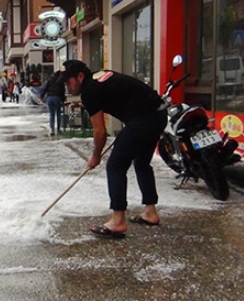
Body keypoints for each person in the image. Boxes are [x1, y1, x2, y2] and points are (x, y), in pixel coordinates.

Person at [60, 60, 167, 238]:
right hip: (157, 114)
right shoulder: (99, 78)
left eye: (68, 81)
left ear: (80, 76)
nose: (67, 87)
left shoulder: (89, 91)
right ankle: (150, 212)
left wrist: (95, 157)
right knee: (141, 163)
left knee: (115, 166)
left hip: (143, 119)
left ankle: (118, 221)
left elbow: (100, 132)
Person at [38, 70, 65, 136]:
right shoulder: (60, 82)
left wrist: (41, 97)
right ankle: (58, 129)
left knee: (51, 114)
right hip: (57, 98)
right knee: (58, 114)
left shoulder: (49, 81)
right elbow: (62, 91)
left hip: (49, 98)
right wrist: (63, 100)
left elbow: (44, 89)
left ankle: (52, 130)